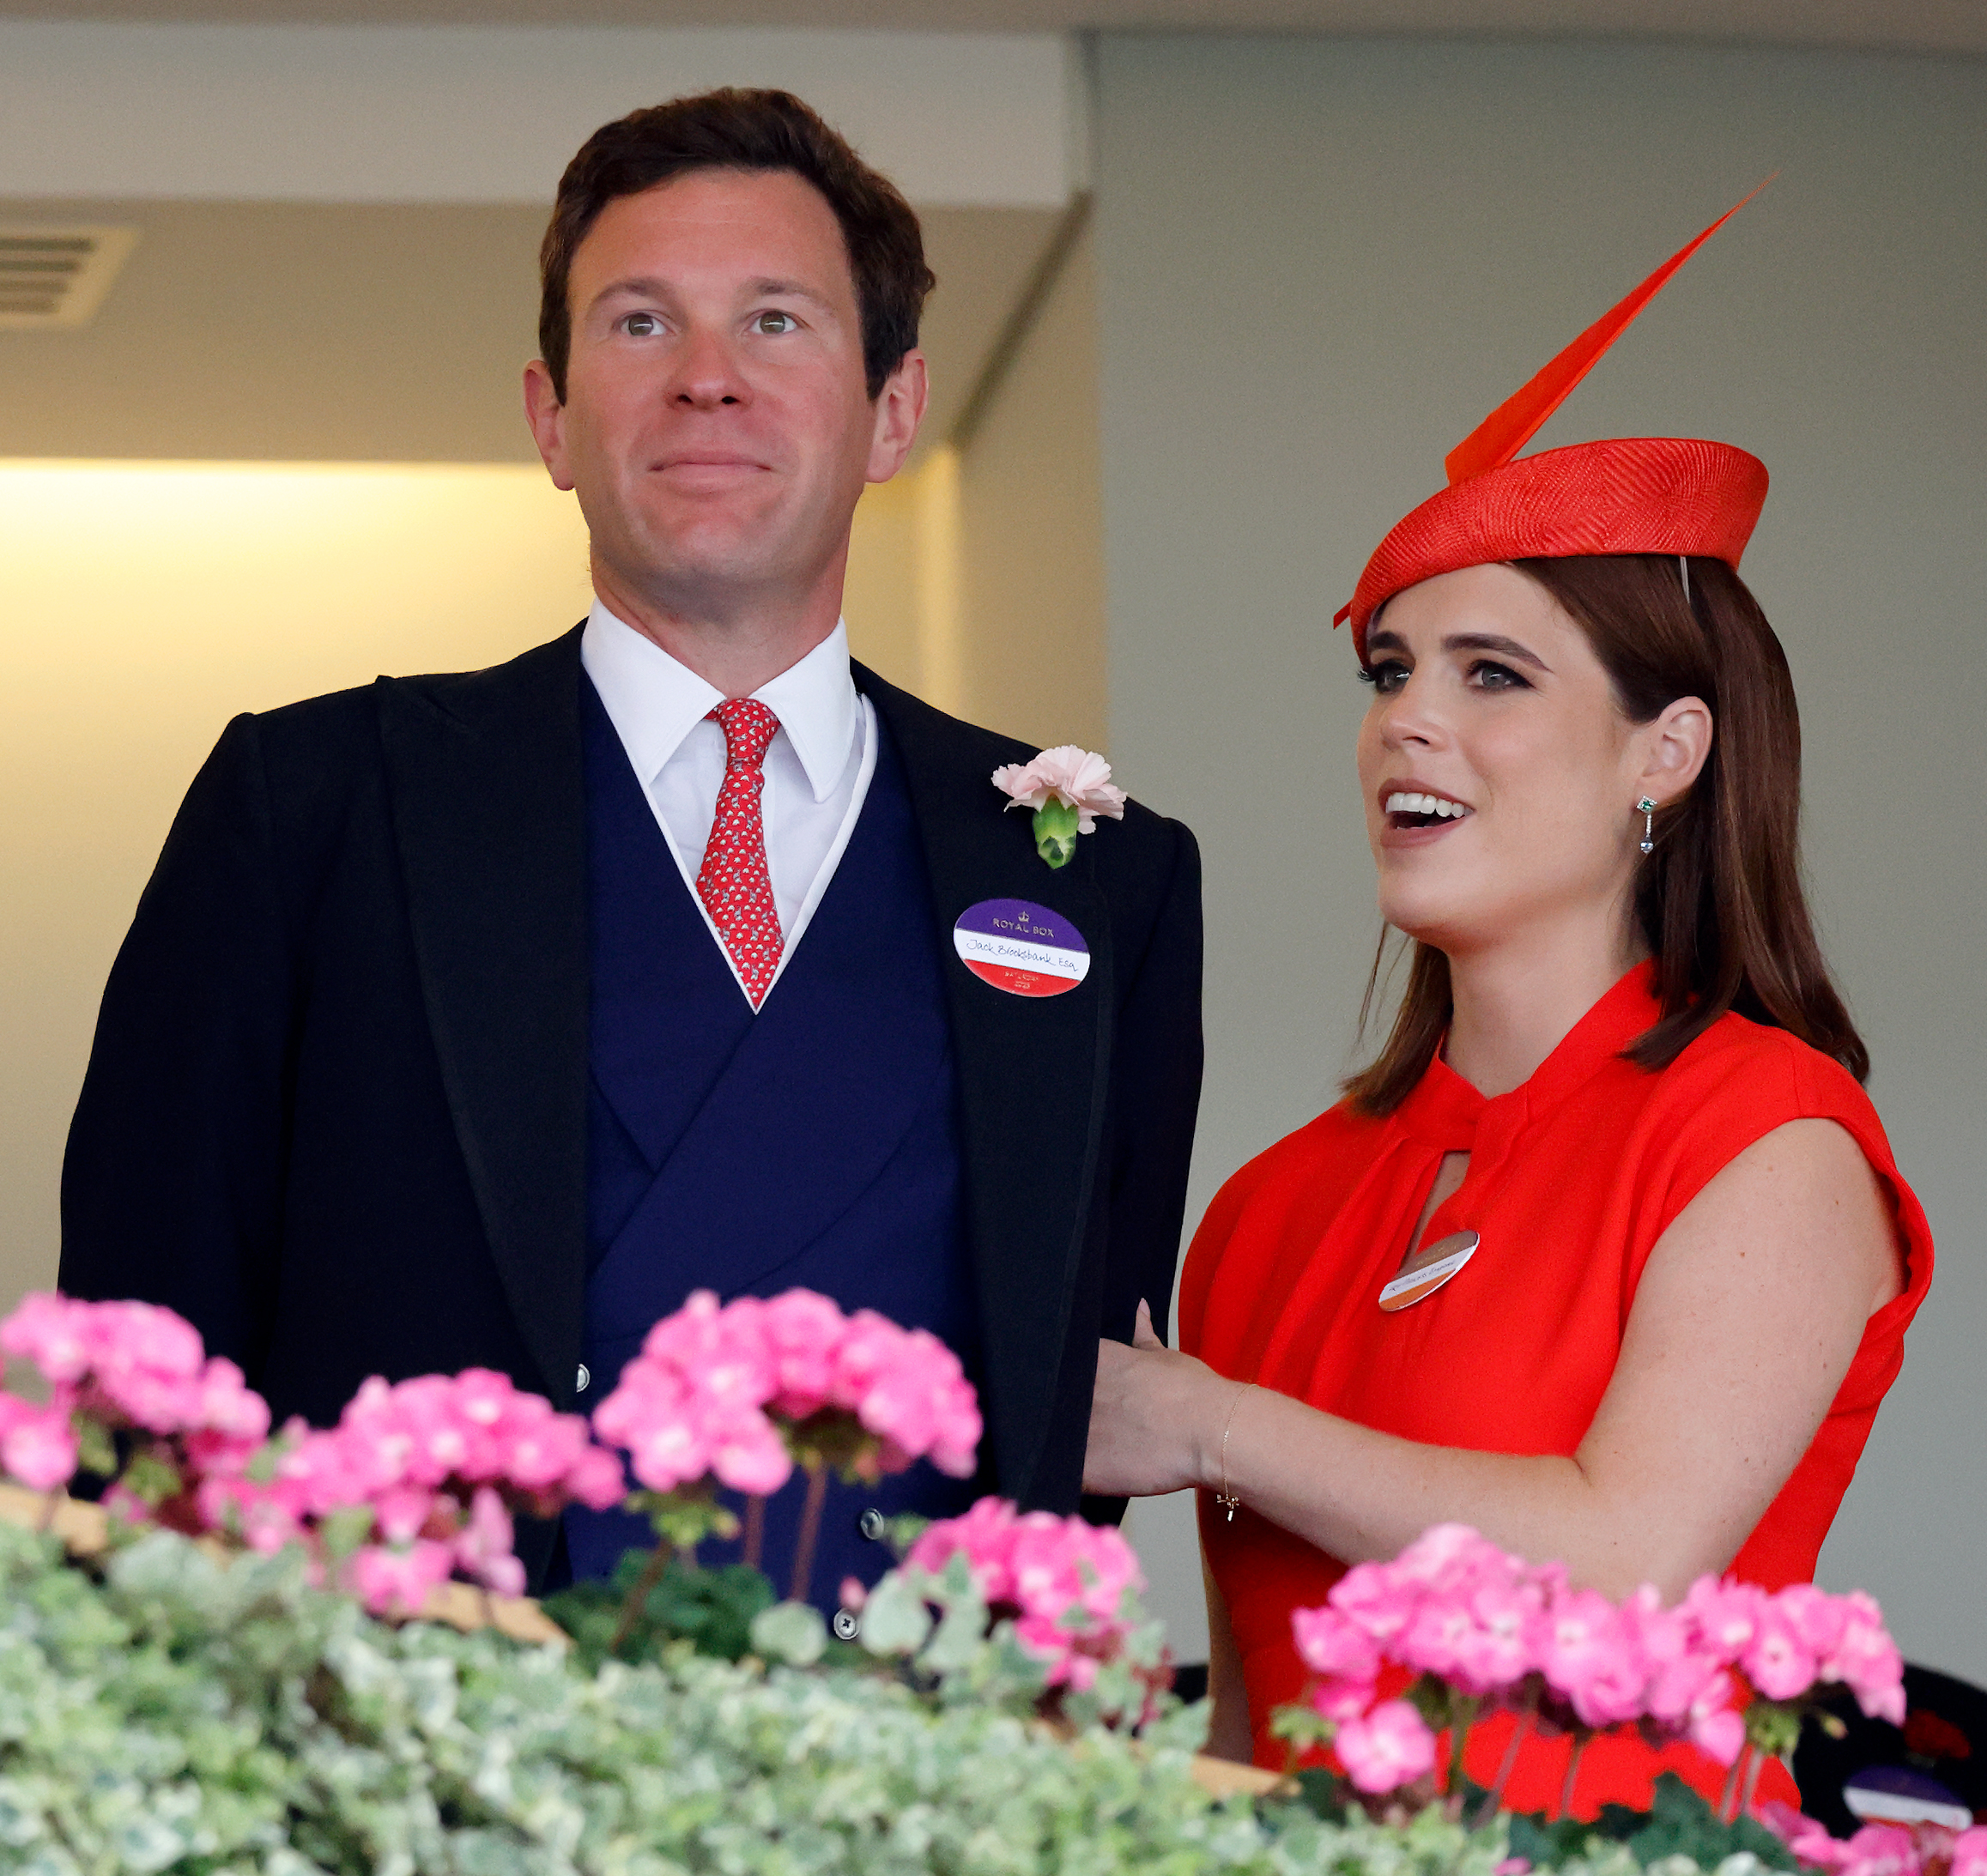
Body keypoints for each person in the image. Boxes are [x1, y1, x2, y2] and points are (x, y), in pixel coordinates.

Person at [59, 88, 1203, 1601]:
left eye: (777, 321)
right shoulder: (314, 806)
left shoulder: (1099, 876)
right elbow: (138, 1381)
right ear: (551, 415)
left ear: (895, 409)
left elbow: (1076, 1419)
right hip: (416, 1717)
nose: (707, 379)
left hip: (901, 1726)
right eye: (641, 323)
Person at [1081, 198, 1932, 1813]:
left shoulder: (1770, 1138)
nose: (1409, 719)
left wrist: (1210, 1425)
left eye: (1492, 673)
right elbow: (1247, 1732)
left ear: (1666, 752)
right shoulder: (1266, 1211)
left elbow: (1629, 1561)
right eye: (1389, 669)